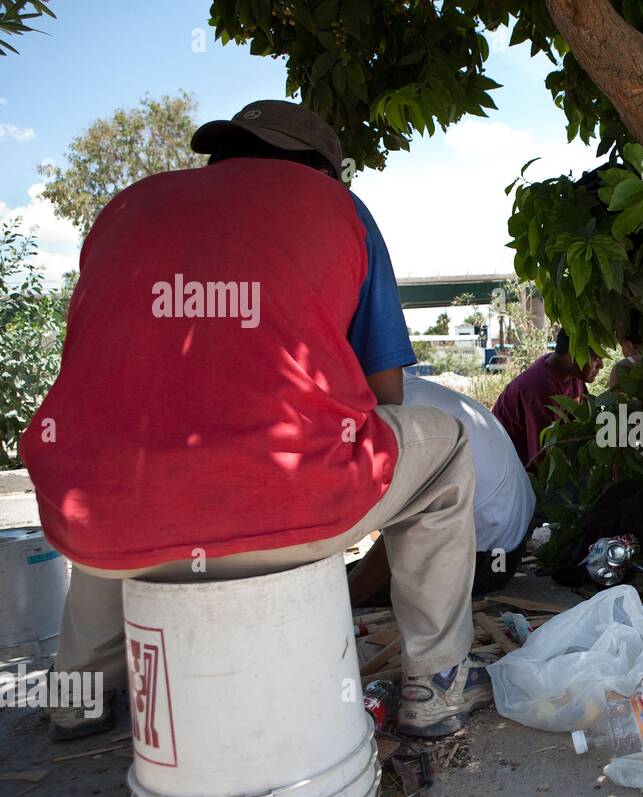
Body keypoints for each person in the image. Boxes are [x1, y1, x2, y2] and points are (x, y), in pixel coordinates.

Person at [22, 100, 487, 742]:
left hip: (92, 516)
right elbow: (388, 397)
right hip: (281, 501)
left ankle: (80, 694)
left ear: (225, 152)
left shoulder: (127, 207)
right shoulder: (338, 207)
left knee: (115, 467)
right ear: (324, 170)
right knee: (448, 452)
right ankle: (435, 690)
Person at [348, 371, 536, 603]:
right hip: (505, 547)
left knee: (333, 596)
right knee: (337, 581)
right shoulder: (409, 392)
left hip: (485, 564)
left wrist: (343, 601)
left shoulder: (404, 422)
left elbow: (402, 539)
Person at [491, 328, 602, 470]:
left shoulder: (573, 372)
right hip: (513, 472)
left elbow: (585, 422)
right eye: (596, 359)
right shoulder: (540, 387)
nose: (601, 366)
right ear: (573, 353)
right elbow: (543, 460)